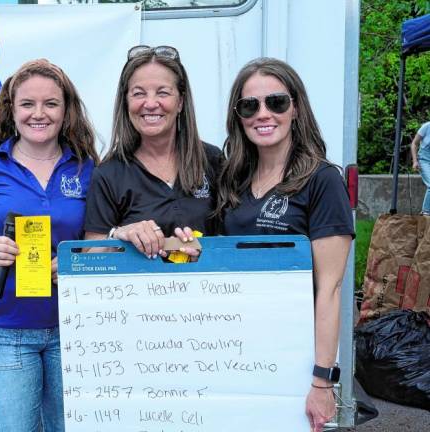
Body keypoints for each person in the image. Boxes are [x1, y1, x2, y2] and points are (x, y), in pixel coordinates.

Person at [0, 59, 98, 432]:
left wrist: (78, 262)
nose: (38, 114)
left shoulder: (88, 168)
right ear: (11, 111)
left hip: (72, 330)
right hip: (3, 332)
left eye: (51, 104)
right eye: (27, 104)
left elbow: (100, 239)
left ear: (66, 111)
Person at [214, 57, 354, 432]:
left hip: (294, 358)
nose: (263, 114)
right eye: (250, 105)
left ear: (296, 108)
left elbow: (330, 289)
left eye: (276, 102)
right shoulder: (233, 181)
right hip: (238, 350)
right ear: (238, 116)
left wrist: (322, 381)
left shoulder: (322, 181)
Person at [84, 45, 221, 255]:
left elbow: (232, 235)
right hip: (134, 289)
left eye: (163, 93)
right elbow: (89, 254)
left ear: (181, 102)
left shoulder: (213, 160)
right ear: (126, 101)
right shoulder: (108, 174)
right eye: (138, 93)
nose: (150, 103)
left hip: (210, 287)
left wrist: (201, 249)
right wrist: (119, 235)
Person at [411, 121, 430, 216]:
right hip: (424, 160)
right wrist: (415, 161)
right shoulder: (426, 127)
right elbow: (414, 144)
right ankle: (425, 212)